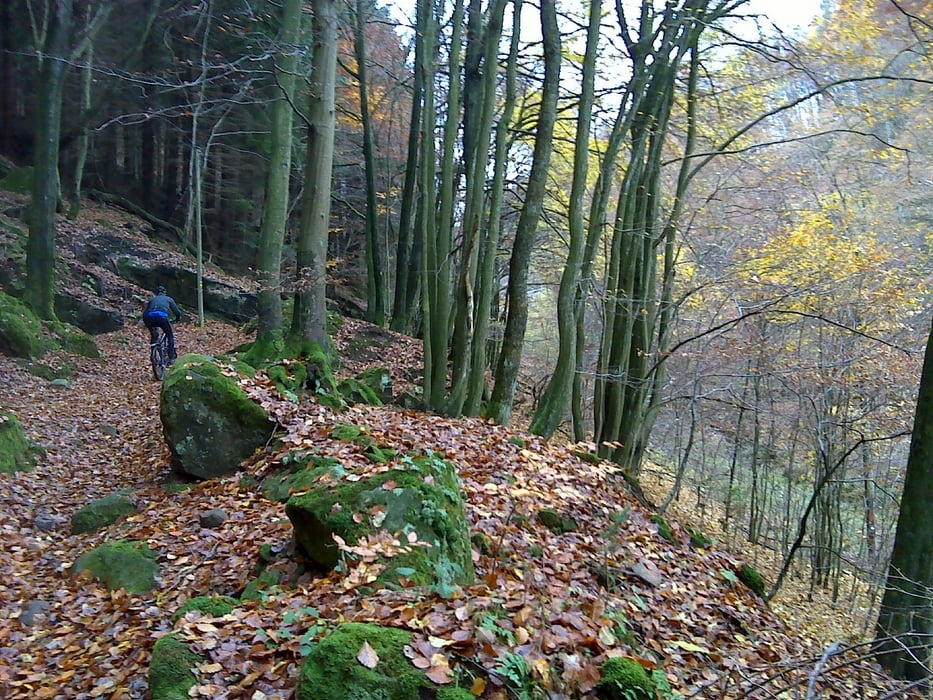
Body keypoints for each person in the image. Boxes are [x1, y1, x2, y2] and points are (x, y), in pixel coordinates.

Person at [143, 285, 183, 364]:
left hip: (149, 318)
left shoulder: (152, 299)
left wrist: (147, 324)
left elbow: (145, 313)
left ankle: (153, 353)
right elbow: (177, 312)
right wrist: (177, 318)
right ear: (164, 292)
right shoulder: (168, 299)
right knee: (170, 336)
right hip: (162, 318)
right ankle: (171, 357)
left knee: (154, 335)